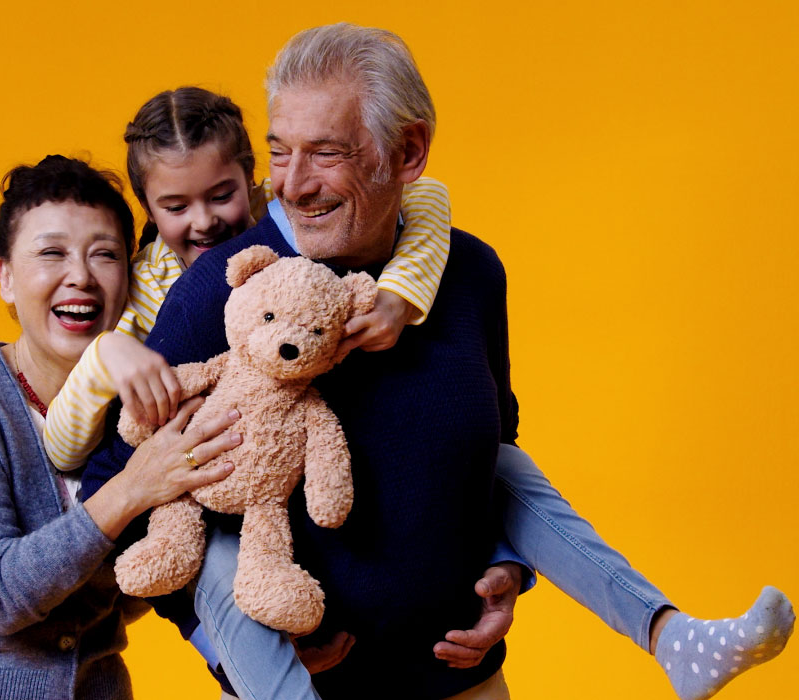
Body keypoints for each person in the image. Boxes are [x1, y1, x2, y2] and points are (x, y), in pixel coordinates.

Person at [75, 25, 792, 700]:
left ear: (408, 152)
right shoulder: (226, 289)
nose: (291, 183)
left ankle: (672, 636)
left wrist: (508, 573)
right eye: (279, 150)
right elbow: (123, 494)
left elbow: (492, 448)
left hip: (463, 682)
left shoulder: (471, 273)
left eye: (325, 152)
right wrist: (218, 640)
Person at [0, 155, 241, 700]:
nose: (81, 276)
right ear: (5, 277)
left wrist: (254, 639)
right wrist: (134, 488)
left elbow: (146, 576)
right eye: (51, 253)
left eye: (105, 255)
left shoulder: (139, 405)